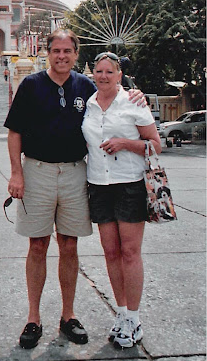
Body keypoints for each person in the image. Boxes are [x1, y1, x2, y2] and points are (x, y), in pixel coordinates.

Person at [4, 29, 144, 350]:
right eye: (56, 50)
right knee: (37, 245)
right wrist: (16, 174)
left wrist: (136, 94)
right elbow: (14, 132)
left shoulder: (87, 87)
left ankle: (68, 316)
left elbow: (115, 95)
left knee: (69, 245)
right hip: (37, 170)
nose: (62, 56)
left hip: (75, 173)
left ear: (76, 54)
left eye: (68, 51)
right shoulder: (31, 85)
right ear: (47, 52)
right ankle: (33, 317)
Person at [81, 51, 160, 349]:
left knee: (130, 252)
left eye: (109, 72)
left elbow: (156, 145)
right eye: (98, 71)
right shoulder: (87, 105)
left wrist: (125, 143)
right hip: (99, 185)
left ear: (119, 75)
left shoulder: (134, 103)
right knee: (110, 251)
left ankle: (135, 319)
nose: (102, 76)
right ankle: (122, 313)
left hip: (129, 184)